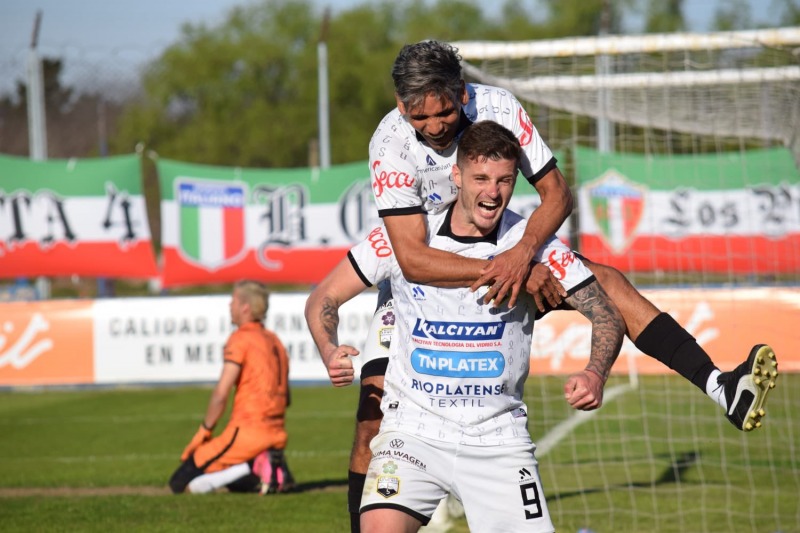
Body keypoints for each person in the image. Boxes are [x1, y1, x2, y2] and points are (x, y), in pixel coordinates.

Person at [345, 39, 778, 531]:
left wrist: (521, 254)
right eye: (419, 119)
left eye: (443, 113)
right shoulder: (391, 143)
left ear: (462, 94)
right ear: (402, 107)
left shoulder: (498, 108)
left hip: (510, 257)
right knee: (370, 423)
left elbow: (556, 193)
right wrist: (509, 268)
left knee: (607, 283)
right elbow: (414, 259)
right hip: (424, 293)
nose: (434, 128)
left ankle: (721, 386)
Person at [306, 121, 626, 531]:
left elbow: (606, 311)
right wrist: (328, 347)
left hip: (498, 439)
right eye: (480, 178)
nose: (492, 193)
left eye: (505, 180)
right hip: (413, 433)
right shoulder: (404, 238)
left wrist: (595, 373)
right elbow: (322, 298)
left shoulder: (535, 245)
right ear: (456, 176)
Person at [169, 280, 295, 495]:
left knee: (180, 483)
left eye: (233, 301)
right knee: (232, 481)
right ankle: (270, 469)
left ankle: (255, 465)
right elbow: (288, 398)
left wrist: (204, 432)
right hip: (277, 434)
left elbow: (221, 394)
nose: (230, 306)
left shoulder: (240, 339)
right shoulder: (275, 341)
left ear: (245, 307)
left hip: (247, 433)